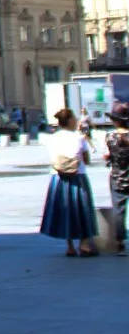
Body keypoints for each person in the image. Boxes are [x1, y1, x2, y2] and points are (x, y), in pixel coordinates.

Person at [40, 108, 98, 256]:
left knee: (65, 211)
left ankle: (70, 246)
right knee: (82, 210)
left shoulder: (51, 138)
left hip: (58, 177)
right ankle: (84, 244)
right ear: (70, 120)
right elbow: (86, 160)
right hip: (78, 176)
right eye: (74, 118)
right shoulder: (79, 138)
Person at [104, 104, 129, 254]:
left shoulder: (110, 136)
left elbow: (107, 155)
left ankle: (120, 242)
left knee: (118, 210)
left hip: (117, 177)